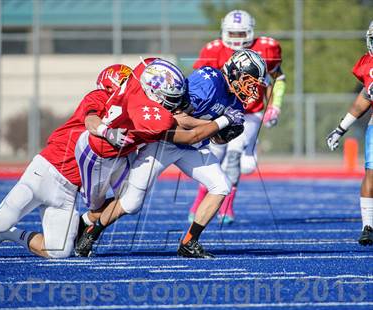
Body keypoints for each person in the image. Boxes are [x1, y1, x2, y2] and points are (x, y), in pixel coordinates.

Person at [76, 50, 267, 258]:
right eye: (249, 81)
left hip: (193, 147)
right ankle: (91, 232)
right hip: (165, 142)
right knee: (131, 203)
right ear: (235, 72)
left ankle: (189, 242)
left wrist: (226, 133)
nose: (252, 88)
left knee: (221, 186)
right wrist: (221, 122)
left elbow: (215, 138)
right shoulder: (209, 81)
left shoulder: (235, 102)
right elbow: (178, 118)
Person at [0, 64, 133, 258]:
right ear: (110, 85)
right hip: (46, 172)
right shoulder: (99, 97)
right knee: (0, 221)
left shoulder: (128, 115)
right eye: (126, 84)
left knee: (58, 252)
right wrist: (108, 132)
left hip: (67, 191)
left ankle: (10, 234)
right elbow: (92, 121)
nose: (130, 91)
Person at [190, 9, 286, 223]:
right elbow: (204, 82)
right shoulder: (214, 50)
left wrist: (274, 106)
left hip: (250, 113)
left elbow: (277, 78)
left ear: (251, 31)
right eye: (232, 34)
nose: (236, 39)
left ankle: (227, 207)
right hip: (222, 111)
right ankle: (198, 202)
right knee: (214, 154)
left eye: (241, 33)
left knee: (234, 156)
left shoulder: (266, 48)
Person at [326, 21, 373, 246]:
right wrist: (340, 128)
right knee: (371, 175)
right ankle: (368, 226)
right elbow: (364, 99)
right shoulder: (368, 65)